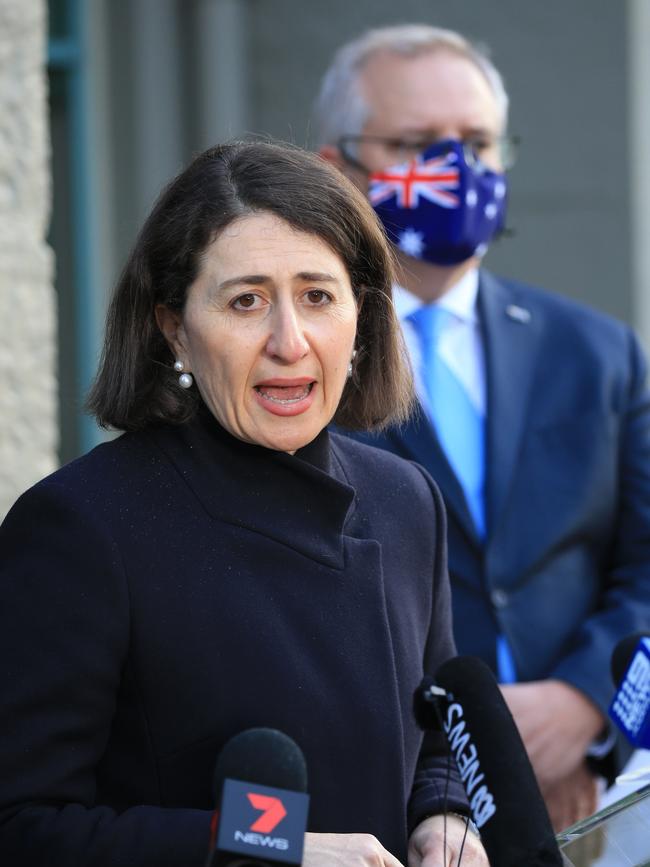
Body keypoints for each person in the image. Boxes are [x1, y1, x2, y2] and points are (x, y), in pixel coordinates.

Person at [0, 140, 489, 866]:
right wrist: (270, 848)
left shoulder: (405, 499)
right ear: (175, 331)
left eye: (318, 296)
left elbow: (439, 725)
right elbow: (21, 826)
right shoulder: (82, 527)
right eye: (246, 301)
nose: (289, 342)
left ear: (361, 320)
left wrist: (444, 815)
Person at [314, 24, 650, 830]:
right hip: (385, 807)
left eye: (477, 142)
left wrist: (584, 704)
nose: (455, 167)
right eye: (418, 142)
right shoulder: (296, 365)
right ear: (337, 168)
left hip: (588, 798)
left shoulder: (597, 350)